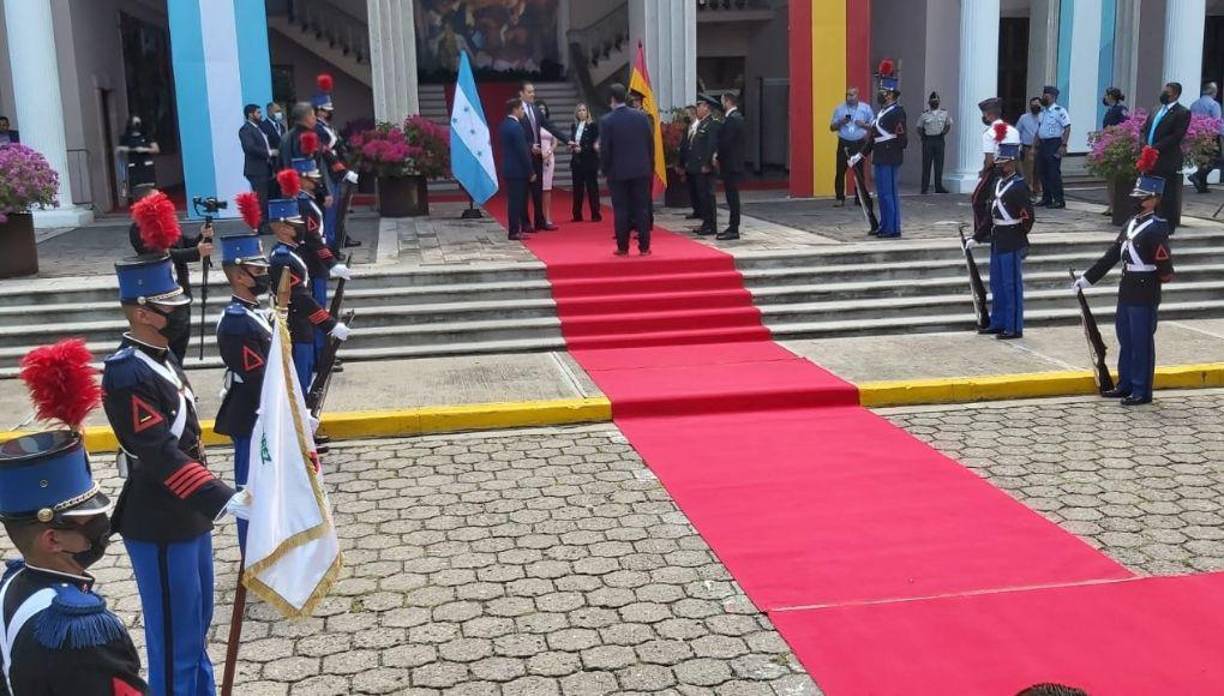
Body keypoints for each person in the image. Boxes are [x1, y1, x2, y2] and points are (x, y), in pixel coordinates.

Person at [102, 251, 249, 696]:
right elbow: (159, 451)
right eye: (172, 306)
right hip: (160, 518)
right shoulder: (127, 373)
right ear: (144, 313)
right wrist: (220, 495)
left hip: (188, 515)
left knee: (195, 629)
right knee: (174, 642)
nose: (181, 312)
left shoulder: (161, 358)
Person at [0, 429, 147, 693]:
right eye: (90, 519)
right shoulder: (79, 630)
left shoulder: (11, 583)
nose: (103, 524)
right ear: (52, 540)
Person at [1073, 173, 1174, 406]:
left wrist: (1153, 282)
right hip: (1127, 288)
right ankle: (1126, 383)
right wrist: (1088, 279)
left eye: (1142, 197)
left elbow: (1165, 268)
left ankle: (1141, 389)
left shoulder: (1156, 227)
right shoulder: (1131, 223)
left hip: (1145, 289)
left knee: (1141, 342)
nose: (1137, 201)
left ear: (1154, 200)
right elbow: (1112, 256)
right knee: (1126, 339)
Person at [214, 228, 271, 551]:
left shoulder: (254, 313)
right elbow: (257, 378)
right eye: (257, 270)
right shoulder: (237, 321)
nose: (264, 275)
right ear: (239, 275)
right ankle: (253, 554)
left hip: (261, 412)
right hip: (250, 415)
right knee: (250, 489)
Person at [267, 192, 351, 391]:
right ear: (283, 229)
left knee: (303, 383)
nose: (301, 226)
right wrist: (329, 324)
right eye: (295, 223)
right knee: (298, 386)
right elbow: (300, 297)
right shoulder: (282, 258)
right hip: (296, 327)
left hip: (302, 325)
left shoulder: (291, 253)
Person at [127, 185, 214, 363]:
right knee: (167, 345)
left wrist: (201, 237)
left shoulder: (168, 221)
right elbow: (160, 256)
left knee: (182, 341)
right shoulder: (138, 229)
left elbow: (183, 244)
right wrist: (196, 253)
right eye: (156, 198)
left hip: (181, 289)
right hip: (160, 292)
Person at [968, 134, 1032, 339]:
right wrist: (977, 237)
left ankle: (1014, 326)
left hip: (1011, 238)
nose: (999, 166)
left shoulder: (1019, 186)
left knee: (1011, 285)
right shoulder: (998, 184)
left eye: (1003, 162)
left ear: (1012, 162)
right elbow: (989, 215)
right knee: (997, 283)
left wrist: (1018, 236)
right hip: (998, 237)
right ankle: (998, 321)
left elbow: (1028, 217)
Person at [600, 83, 654, 256]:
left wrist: (605, 169)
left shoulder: (607, 120)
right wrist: (649, 166)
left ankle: (623, 247)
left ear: (612, 99)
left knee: (621, 209)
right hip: (641, 170)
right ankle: (644, 247)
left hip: (618, 172)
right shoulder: (641, 117)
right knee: (642, 208)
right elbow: (650, 144)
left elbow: (605, 149)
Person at [518, 82, 571, 232]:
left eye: (533, 91)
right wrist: (529, 147)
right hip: (524, 157)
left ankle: (540, 220)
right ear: (521, 94)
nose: (532, 94)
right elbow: (515, 134)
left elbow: (550, 126)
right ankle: (525, 223)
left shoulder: (535, 110)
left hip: (538, 157)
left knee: (538, 190)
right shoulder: (517, 110)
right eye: (529, 92)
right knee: (524, 192)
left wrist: (568, 140)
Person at [1140, 82, 1191, 231]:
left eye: (1167, 92)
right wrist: (1144, 145)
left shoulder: (1182, 112)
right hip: (1149, 158)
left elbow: (1176, 136)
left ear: (1175, 94)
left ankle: (1167, 226)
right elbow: (1145, 129)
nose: (1163, 94)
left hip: (1166, 158)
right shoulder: (1156, 110)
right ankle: (1147, 222)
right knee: (1149, 191)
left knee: (1167, 193)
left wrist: (1155, 148)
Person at [869, 65, 906, 238]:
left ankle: (892, 227)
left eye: (883, 92)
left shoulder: (897, 112)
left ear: (890, 94)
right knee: (883, 194)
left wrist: (894, 154)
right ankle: (885, 224)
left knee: (889, 194)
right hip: (880, 156)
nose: (880, 95)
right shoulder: (882, 112)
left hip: (890, 156)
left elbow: (901, 139)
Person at [973, 98, 1012, 240]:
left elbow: (989, 160)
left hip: (994, 170)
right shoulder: (1010, 130)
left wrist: (983, 173)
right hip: (1009, 169)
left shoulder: (989, 132)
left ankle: (982, 232)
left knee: (977, 200)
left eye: (984, 114)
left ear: (988, 114)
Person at [829, 87, 874, 206]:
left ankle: (859, 198)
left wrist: (863, 125)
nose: (849, 97)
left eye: (852, 95)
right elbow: (832, 128)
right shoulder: (840, 109)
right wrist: (841, 122)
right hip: (844, 143)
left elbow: (874, 127)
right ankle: (840, 198)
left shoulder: (866, 108)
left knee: (859, 172)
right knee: (840, 171)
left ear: (857, 95)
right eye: (847, 95)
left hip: (859, 143)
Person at [685, 95, 721, 237]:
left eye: (699, 106)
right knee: (702, 196)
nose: (697, 109)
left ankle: (710, 225)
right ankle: (706, 223)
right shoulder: (702, 123)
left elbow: (711, 146)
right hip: (697, 166)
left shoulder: (712, 124)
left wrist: (707, 164)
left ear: (706, 107)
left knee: (707, 196)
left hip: (705, 168)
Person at [499, 98, 535, 241]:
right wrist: (530, 171)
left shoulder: (504, 125)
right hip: (517, 170)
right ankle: (514, 231)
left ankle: (515, 229)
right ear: (515, 109)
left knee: (514, 201)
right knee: (517, 202)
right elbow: (522, 151)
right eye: (521, 109)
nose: (523, 112)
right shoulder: (516, 127)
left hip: (509, 167)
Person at [715, 91, 746, 240]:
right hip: (731, 163)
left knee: (732, 197)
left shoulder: (733, 119)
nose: (722, 105)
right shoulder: (734, 118)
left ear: (728, 102)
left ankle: (734, 228)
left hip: (731, 163)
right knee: (731, 196)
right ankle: (732, 226)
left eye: (723, 101)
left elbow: (726, 142)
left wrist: (717, 157)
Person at [240, 104, 276, 227]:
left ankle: (267, 223)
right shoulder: (246, 129)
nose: (261, 115)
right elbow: (250, 148)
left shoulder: (259, 128)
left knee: (266, 198)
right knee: (261, 199)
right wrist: (269, 153)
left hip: (266, 168)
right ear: (250, 114)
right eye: (258, 113)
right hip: (256, 170)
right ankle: (262, 226)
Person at [1036, 85, 1070, 208]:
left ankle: (1059, 200)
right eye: (1044, 95)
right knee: (1042, 172)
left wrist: (1063, 145)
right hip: (1043, 144)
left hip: (1054, 143)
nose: (1044, 97)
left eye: (1047, 96)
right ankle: (1047, 198)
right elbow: (1039, 129)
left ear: (1053, 97)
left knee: (1053, 173)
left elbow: (1067, 127)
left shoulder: (1059, 111)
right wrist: (1035, 146)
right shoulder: (1042, 112)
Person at [1100, 87, 1130, 217]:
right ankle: (1111, 205)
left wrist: (1112, 129)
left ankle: (1116, 206)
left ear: (1111, 96)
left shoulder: (1121, 109)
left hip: (1116, 145)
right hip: (1108, 144)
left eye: (1106, 95)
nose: (1105, 98)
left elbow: (1126, 125)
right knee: (1109, 177)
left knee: (1116, 177)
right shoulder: (1110, 110)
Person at [569, 102, 601, 222]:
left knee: (592, 188)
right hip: (577, 161)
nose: (582, 112)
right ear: (576, 113)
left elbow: (594, 144)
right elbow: (572, 139)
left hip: (589, 161)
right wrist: (571, 147)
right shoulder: (574, 126)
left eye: (584, 110)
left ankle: (595, 213)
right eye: (580, 110)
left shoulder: (593, 126)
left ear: (587, 112)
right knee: (577, 189)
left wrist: (582, 149)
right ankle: (577, 214)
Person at [916, 91, 951, 194]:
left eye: (936, 101)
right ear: (929, 103)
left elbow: (948, 125)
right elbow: (919, 127)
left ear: (939, 102)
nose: (934, 103)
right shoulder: (924, 114)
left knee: (939, 164)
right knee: (926, 164)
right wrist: (923, 136)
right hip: (928, 140)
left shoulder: (944, 113)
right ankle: (924, 188)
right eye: (932, 102)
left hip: (939, 140)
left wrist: (943, 133)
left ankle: (938, 187)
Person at [1190, 82, 1221, 194]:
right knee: (1215, 160)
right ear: (1213, 92)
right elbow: (1217, 122)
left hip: (1197, 136)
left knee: (1202, 160)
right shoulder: (1214, 105)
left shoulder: (1194, 104)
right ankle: (1196, 176)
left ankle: (1202, 186)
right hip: (1210, 136)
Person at [117, 115, 160, 194]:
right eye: (135, 123)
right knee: (137, 191)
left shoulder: (147, 136)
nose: (136, 125)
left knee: (151, 191)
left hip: (147, 166)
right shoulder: (126, 138)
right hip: (135, 167)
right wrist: (131, 149)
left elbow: (156, 149)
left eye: (138, 123)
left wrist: (145, 149)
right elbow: (119, 150)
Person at [1015, 97, 1043, 202]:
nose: (1035, 106)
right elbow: (1017, 131)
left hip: (1041, 148)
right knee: (1028, 172)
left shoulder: (1044, 117)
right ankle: (1029, 192)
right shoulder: (1024, 118)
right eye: (1033, 104)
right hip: (1027, 148)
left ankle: (1038, 192)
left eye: (1037, 104)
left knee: (1039, 171)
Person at [537, 100, 558, 229]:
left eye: (544, 109)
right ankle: (539, 217)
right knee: (538, 189)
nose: (542, 111)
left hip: (549, 157)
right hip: (538, 157)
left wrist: (549, 152)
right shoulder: (534, 125)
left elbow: (555, 142)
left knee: (547, 189)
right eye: (539, 109)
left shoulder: (550, 125)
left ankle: (548, 217)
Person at [678, 105, 701, 220]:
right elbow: (684, 146)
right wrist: (681, 164)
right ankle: (696, 210)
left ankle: (702, 211)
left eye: (687, 114)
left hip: (697, 163)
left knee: (699, 189)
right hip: (688, 164)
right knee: (692, 189)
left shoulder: (700, 126)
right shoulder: (687, 128)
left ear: (693, 113)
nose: (685, 116)